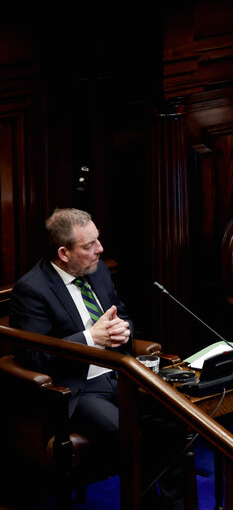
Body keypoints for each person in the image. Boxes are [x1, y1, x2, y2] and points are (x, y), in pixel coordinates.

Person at [10, 208, 191, 510]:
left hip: (122, 373)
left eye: (98, 240)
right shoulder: (32, 290)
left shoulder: (98, 271)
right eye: (89, 245)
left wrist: (124, 330)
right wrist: (91, 338)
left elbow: (123, 315)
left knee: (175, 418)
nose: (100, 249)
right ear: (64, 253)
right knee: (129, 434)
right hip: (79, 388)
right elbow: (35, 356)